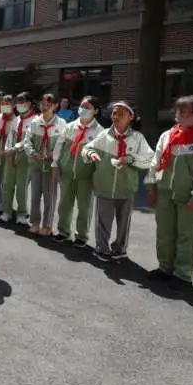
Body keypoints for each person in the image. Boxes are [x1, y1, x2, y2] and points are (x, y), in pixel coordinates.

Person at [145, 96, 193, 290]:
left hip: (190, 196)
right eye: (180, 110)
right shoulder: (167, 136)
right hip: (165, 194)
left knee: (188, 236)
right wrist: (151, 186)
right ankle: (165, 268)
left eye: (190, 111)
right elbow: (156, 163)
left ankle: (183, 275)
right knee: (165, 233)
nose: (184, 114)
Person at [83, 101, 153, 261]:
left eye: (121, 114)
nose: (116, 116)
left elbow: (149, 160)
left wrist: (130, 159)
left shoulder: (138, 138)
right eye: (114, 113)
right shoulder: (104, 135)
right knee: (103, 221)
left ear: (131, 117)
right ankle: (101, 248)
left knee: (123, 223)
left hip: (126, 188)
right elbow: (86, 148)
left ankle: (119, 249)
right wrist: (91, 154)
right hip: (104, 186)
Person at [52, 96, 104, 247]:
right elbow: (59, 146)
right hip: (67, 173)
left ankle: (81, 235)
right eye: (82, 106)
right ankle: (63, 231)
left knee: (84, 207)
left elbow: (100, 157)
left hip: (86, 176)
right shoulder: (70, 127)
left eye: (88, 107)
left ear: (96, 111)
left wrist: (97, 175)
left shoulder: (100, 132)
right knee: (64, 204)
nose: (83, 109)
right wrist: (55, 165)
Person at [25, 93, 66, 235]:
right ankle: (35, 222)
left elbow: (63, 144)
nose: (45, 107)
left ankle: (47, 225)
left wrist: (53, 154)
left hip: (51, 167)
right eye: (43, 104)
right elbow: (27, 141)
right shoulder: (35, 122)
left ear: (55, 106)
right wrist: (33, 153)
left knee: (50, 196)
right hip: (36, 165)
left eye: (48, 105)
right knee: (35, 195)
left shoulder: (61, 124)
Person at [1, 92, 36, 225]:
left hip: (24, 158)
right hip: (11, 156)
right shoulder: (17, 119)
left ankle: (21, 213)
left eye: (22, 102)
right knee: (7, 184)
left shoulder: (35, 121)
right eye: (18, 102)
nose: (19, 105)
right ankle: (6, 211)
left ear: (29, 103)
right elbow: (10, 136)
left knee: (21, 186)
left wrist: (14, 149)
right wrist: (7, 149)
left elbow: (28, 140)